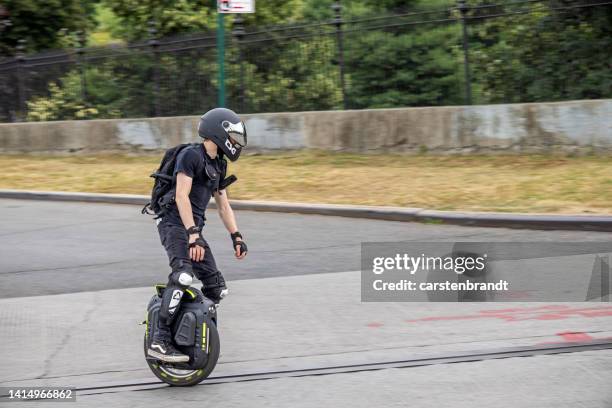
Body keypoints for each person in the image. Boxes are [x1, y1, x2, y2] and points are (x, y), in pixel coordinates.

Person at [147, 108, 248, 363]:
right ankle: (160, 340)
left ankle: (188, 324)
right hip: (173, 223)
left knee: (217, 288)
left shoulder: (218, 164)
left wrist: (236, 235)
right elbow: (181, 196)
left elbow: (223, 205)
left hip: (193, 230)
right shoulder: (190, 155)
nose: (236, 142)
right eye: (233, 135)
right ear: (218, 132)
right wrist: (193, 235)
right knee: (182, 275)